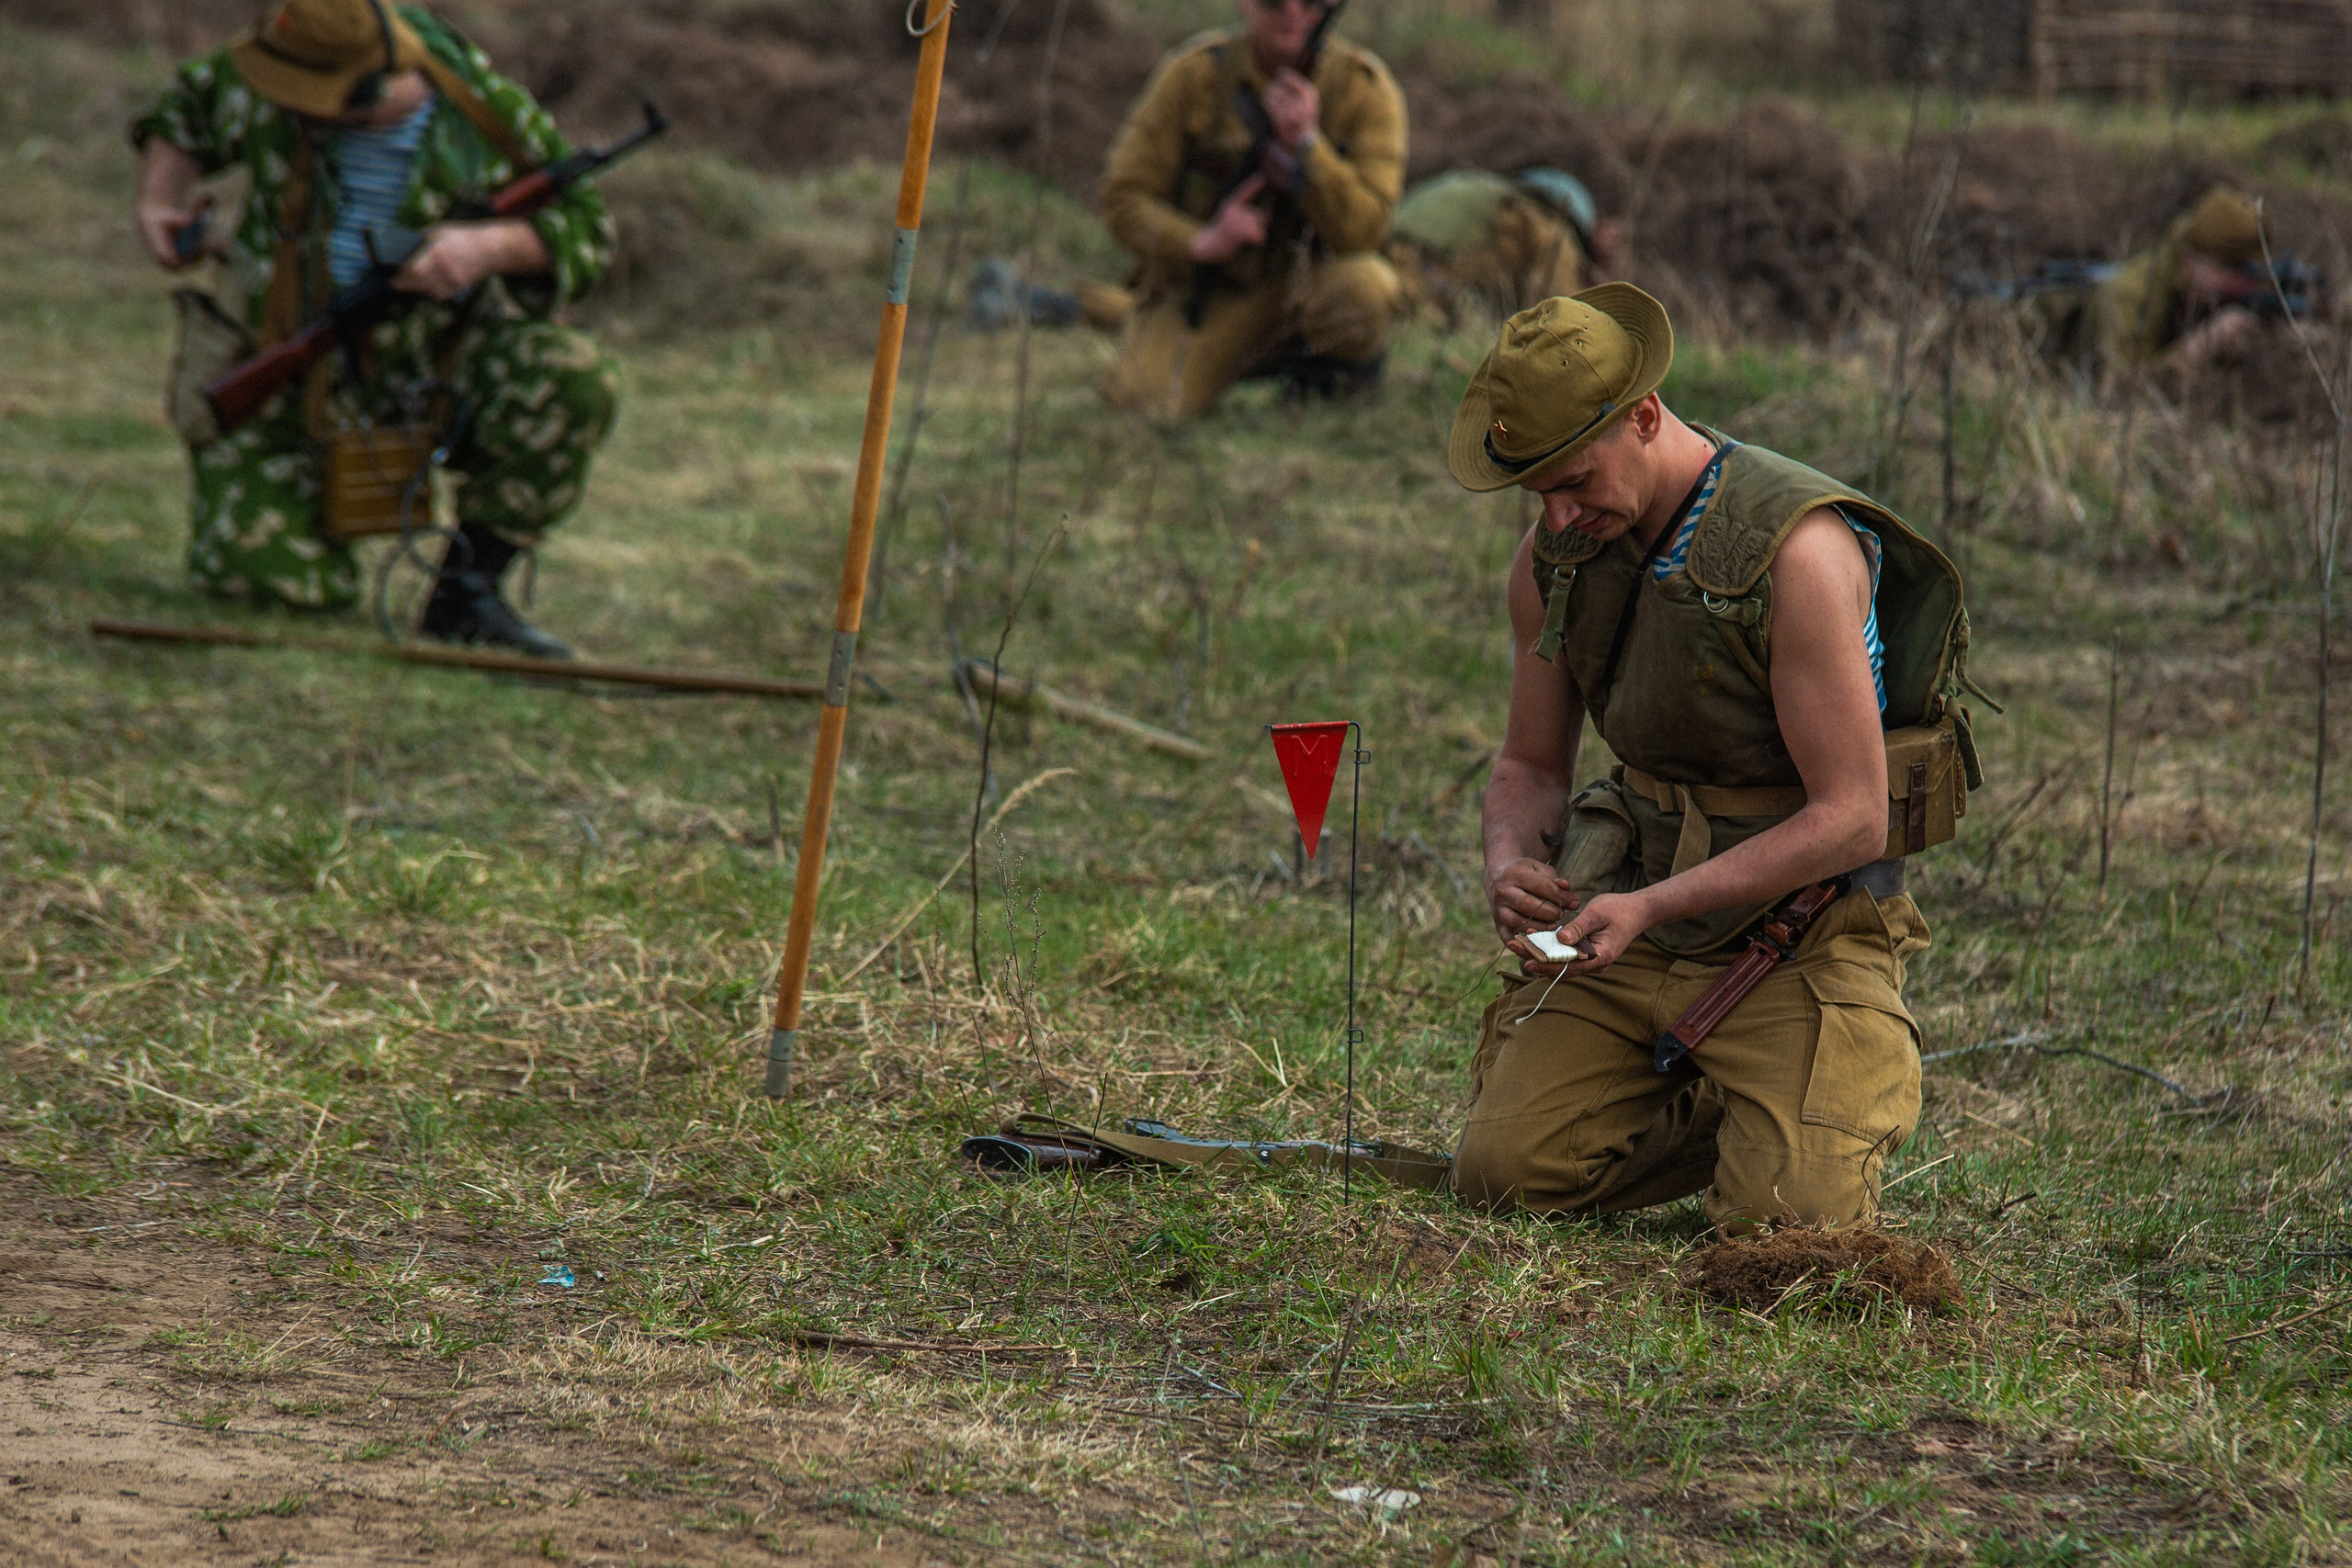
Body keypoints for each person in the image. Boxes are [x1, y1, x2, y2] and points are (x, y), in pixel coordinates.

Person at [1448, 285, 1980, 1234]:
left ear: (1645, 416)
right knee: (1502, 1175)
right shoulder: (1554, 558)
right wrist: (1507, 863)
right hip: (1636, 909)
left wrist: (1648, 908)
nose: (1559, 514)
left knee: (1792, 1222)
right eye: (1539, 493)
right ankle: (1714, 1093)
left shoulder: (1795, 554)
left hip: (1800, 930)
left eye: (1576, 481)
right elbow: (1530, 766)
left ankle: (1774, 1105)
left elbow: (1853, 816)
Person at [131, 0, 619, 657]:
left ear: (372, 86)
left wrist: (486, 248)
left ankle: (467, 592)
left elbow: (588, 229)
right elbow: (187, 106)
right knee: (272, 591)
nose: (291, 107)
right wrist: (159, 200)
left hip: (434, 368)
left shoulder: (483, 111)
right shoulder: (283, 63)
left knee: (573, 375)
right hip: (284, 379)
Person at [1095, 0, 1408, 417]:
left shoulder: (1364, 89)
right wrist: (1201, 242)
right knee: (1144, 400)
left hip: (1309, 287)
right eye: (1274, 1)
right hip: (1210, 295)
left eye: (1309, 1)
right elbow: (1122, 198)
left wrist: (1309, 148)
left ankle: (1330, 375)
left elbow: (1369, 228)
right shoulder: (1193, 77)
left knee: (1367, 289)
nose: (1292, 13)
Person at [2034, 185, 2298, 379]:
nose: (2246, 284)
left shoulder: (2211, 291)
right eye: (2234, 270)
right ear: (2191, 261)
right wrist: (2201, 346)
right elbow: (2119, 393)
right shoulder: (2128, 299)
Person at [1391, 166, 1620, 321]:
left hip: (1389, 244)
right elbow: (1563, 310)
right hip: (1414, 273)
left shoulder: (1495, 194)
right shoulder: (1549, 228)